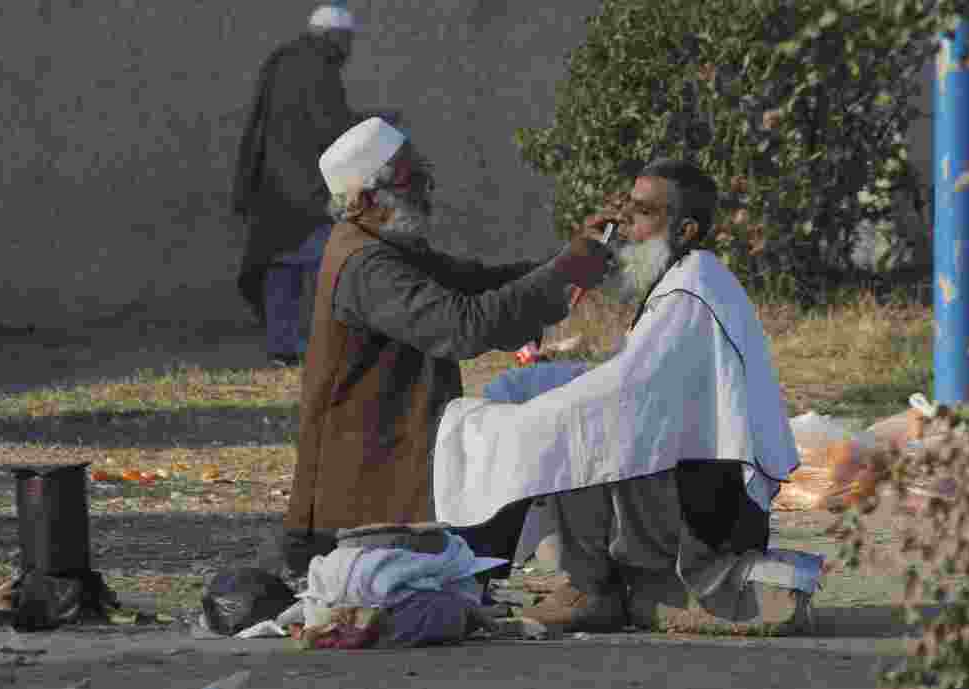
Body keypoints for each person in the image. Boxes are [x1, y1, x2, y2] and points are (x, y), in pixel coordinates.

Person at [433, 160, 824, 634]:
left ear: (685, 229)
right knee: (566, 410)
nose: (627, 230)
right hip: (702, 487)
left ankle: (590, 585)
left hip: (711, 510)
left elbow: (626, 395)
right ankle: (594, 577)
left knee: (578, 426)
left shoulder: (691, 292)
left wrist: (547, 411)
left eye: (642, 214)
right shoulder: (688, 276)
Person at [282, 117, 615, 576]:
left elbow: (481, 283)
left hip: (391, 475)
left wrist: (573, 261)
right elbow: (462, 326)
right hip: (356, 505)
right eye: (410, 179)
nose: (426, 188)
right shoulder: (366, 264)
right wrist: (565, 272)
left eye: (422, 173)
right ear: (365, 200)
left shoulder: (388, 245)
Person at [232, 4, 358, 367]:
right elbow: (329, 128)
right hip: (308, 189)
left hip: (273, 187)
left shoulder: (280, 62)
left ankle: (282, 345)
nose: (349, 50)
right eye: (347, 41)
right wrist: (367, 126)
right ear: (334, 37)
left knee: (280, 264)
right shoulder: (320, 69)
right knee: (331, 259)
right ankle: (335, 342)